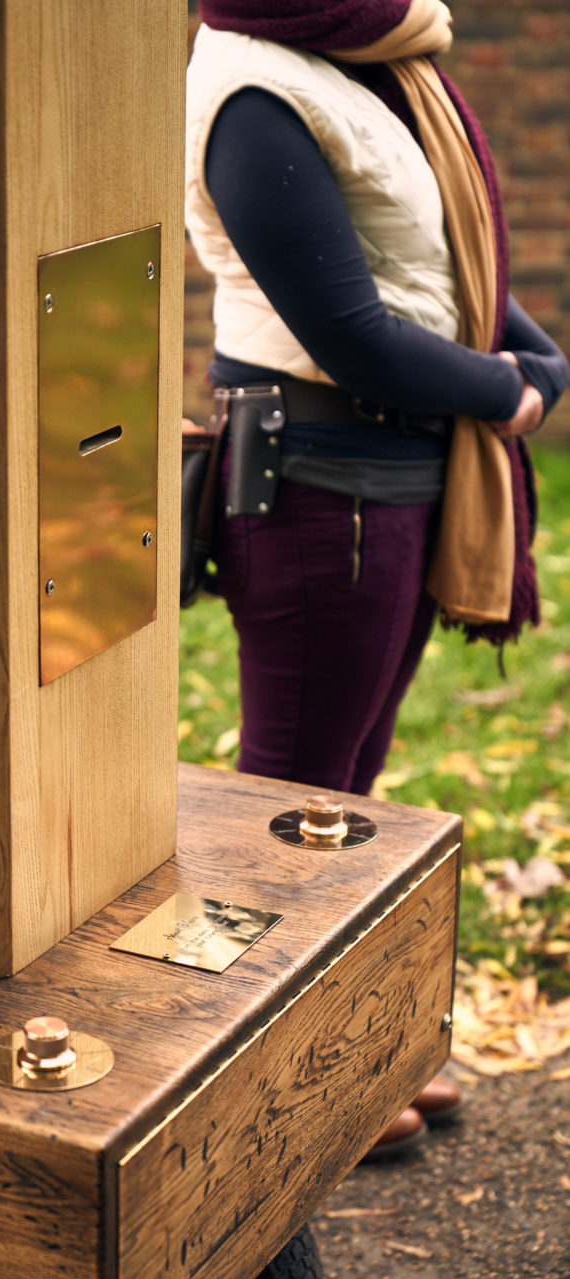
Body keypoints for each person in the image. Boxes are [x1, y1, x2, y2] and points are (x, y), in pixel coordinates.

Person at [184, 0, 569, 1160]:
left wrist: (528, 347)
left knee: (346, 786)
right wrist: (503, 390)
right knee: (284, 803)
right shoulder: (255, 92)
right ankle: (247, 1080)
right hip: (319, 481)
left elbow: (432, 262)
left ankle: (336, 1051)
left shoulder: (366, 57)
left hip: (399, 471)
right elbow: (350, 329)